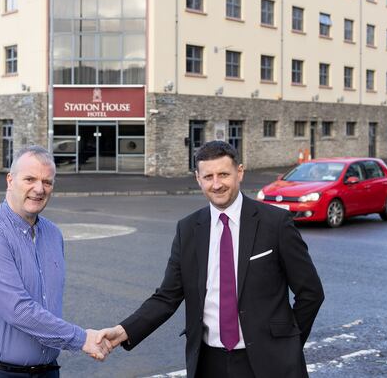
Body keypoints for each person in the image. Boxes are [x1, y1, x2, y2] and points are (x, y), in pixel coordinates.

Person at [99, 141, 324, 378]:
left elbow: (310, 292)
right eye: (208, 177)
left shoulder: (276, 223)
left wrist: (288, 344)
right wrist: (123, 331)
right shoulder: (188, 229)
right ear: (198, 178)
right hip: (208, 363)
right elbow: (167, 297)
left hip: (270, 362)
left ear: (239, 172)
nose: (216, 184)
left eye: (224, 174)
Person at [0, 145, 110, 378]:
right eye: (30, 179)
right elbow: (18, 310)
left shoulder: (53, 234)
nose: (39, 189)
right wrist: (82, 338)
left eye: (47, 182)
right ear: (10, 180)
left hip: (46, 371)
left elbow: (48, 305)